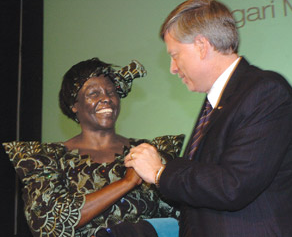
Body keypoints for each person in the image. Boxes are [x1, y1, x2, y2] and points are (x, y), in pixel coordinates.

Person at [125, 0, 292, 236]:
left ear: (201, 45)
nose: (172, 68)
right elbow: (200, 197)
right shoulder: (216, 102)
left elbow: (233, 187)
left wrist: (160, 172)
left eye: (175, 54)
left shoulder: (265, 92)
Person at [3, 58, 185, 237]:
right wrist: (126, 183)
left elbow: (182, 216)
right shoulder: (48, 159)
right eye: (93, 93)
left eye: (111, 92)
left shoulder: (148, 151)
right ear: (74, 105)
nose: (106, 98)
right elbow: (51, 222)